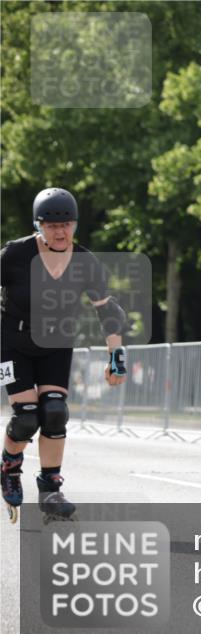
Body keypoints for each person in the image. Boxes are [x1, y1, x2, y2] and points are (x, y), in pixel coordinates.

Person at [1, 187, 128, 524]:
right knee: (27, 416)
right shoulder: (14, 255)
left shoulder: (85, 262)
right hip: (13, 342)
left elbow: (107, 310)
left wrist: (117, 356)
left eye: (66, 224)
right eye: (51, 225)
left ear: (75, 225)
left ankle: (50, 487)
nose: (59, 232)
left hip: (56, 343)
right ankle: (10, 467)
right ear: (38, 225)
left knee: (55, 412)